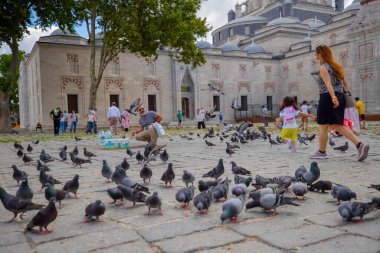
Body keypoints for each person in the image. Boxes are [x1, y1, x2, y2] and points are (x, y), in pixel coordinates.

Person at [310, 44, 369, 161]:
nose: (315, 55)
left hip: (328, 97)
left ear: (320, 54)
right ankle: (359, 145)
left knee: (323, 125)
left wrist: (333, 97)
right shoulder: (336, 67)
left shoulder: (324, 67)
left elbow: (328, 84)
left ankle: (322, 152)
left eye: (316, 53)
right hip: (340, 95)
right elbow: (345, 84)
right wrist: (338, 97)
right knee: (338, 125)